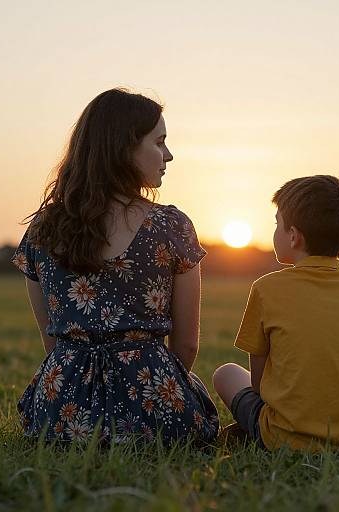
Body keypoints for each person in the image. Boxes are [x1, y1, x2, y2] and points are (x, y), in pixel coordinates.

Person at [12, 88, 219, 444]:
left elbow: (52, 342)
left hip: (60, 415)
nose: (168, 155)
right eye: (159, 142)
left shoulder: (43, 229)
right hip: (155, 412)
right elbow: (186, 347)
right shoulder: (171, 227)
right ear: (125, 147)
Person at [213, 175, 339, 451]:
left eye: (277, 224)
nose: (274, 231)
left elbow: (259, 386)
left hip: (284, 438)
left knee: (225, 374)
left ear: (294, 236)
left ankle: (259, 430)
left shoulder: (266, 288)